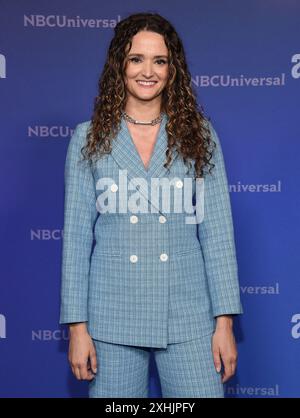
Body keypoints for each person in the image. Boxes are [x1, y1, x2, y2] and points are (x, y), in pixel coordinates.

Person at [59, 12, 243, 398]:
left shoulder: (198, 134)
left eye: (159, 60)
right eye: (136, 59)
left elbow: (218, 232)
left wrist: (223, 323)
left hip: (188, 316)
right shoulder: (88, 139)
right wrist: (77, 327)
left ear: (172, 68)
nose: (148, 71)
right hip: (112, 318)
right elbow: (75, 240)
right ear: (119, 66)